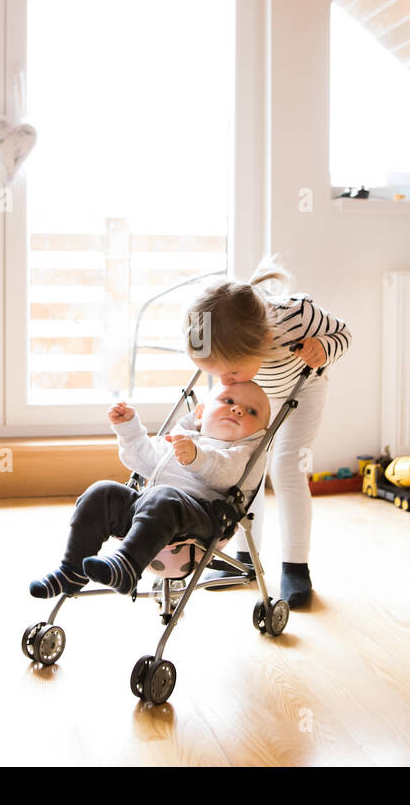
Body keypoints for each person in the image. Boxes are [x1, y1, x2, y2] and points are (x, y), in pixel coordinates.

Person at [185, 258, 351, 608]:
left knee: (287, 467)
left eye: (228, 371)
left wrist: (324, 349)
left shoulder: (298, 315)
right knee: (245, 467)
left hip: (301, 391)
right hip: (255, 398)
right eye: (213, 372)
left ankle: (295, 564)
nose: (223, 381)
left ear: (265, 339)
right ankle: (246, 557)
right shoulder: (220, 337)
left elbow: (344, 334)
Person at [29, 381, 272, 598]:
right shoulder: (180, 437)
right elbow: (143, 459)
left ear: (259, 431)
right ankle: (72, 570)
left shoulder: (243, 453)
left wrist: (197, 457)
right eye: (228, 401)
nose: (238, 409)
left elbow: (227, 473)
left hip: (203, 522)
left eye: (252, 411)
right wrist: (128, 428)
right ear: (200, 413)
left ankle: (126, 566)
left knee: (163, 496)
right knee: (102, 492)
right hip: (149, 516)